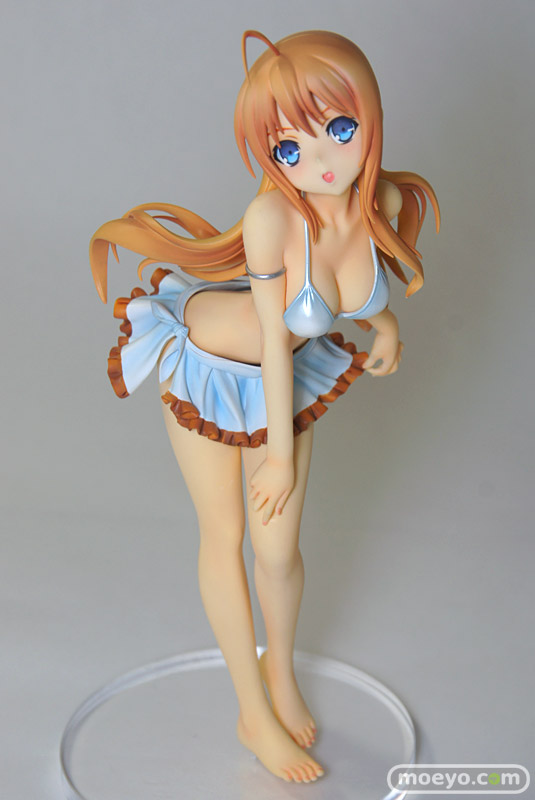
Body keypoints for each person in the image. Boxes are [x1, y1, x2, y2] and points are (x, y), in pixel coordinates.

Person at [89, 29, 440, 784]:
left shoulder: (376, 199)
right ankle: (251, 710)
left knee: (278, 551)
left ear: (370, 115)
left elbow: (351, 290)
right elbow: (276, 344)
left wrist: (383, 323)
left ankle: (279, 672)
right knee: (225, 535)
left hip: (283, 370)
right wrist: (277, 454)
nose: (320, 160)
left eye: (338, 128)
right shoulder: (272, 221)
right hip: (213, 366)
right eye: (289, 148)